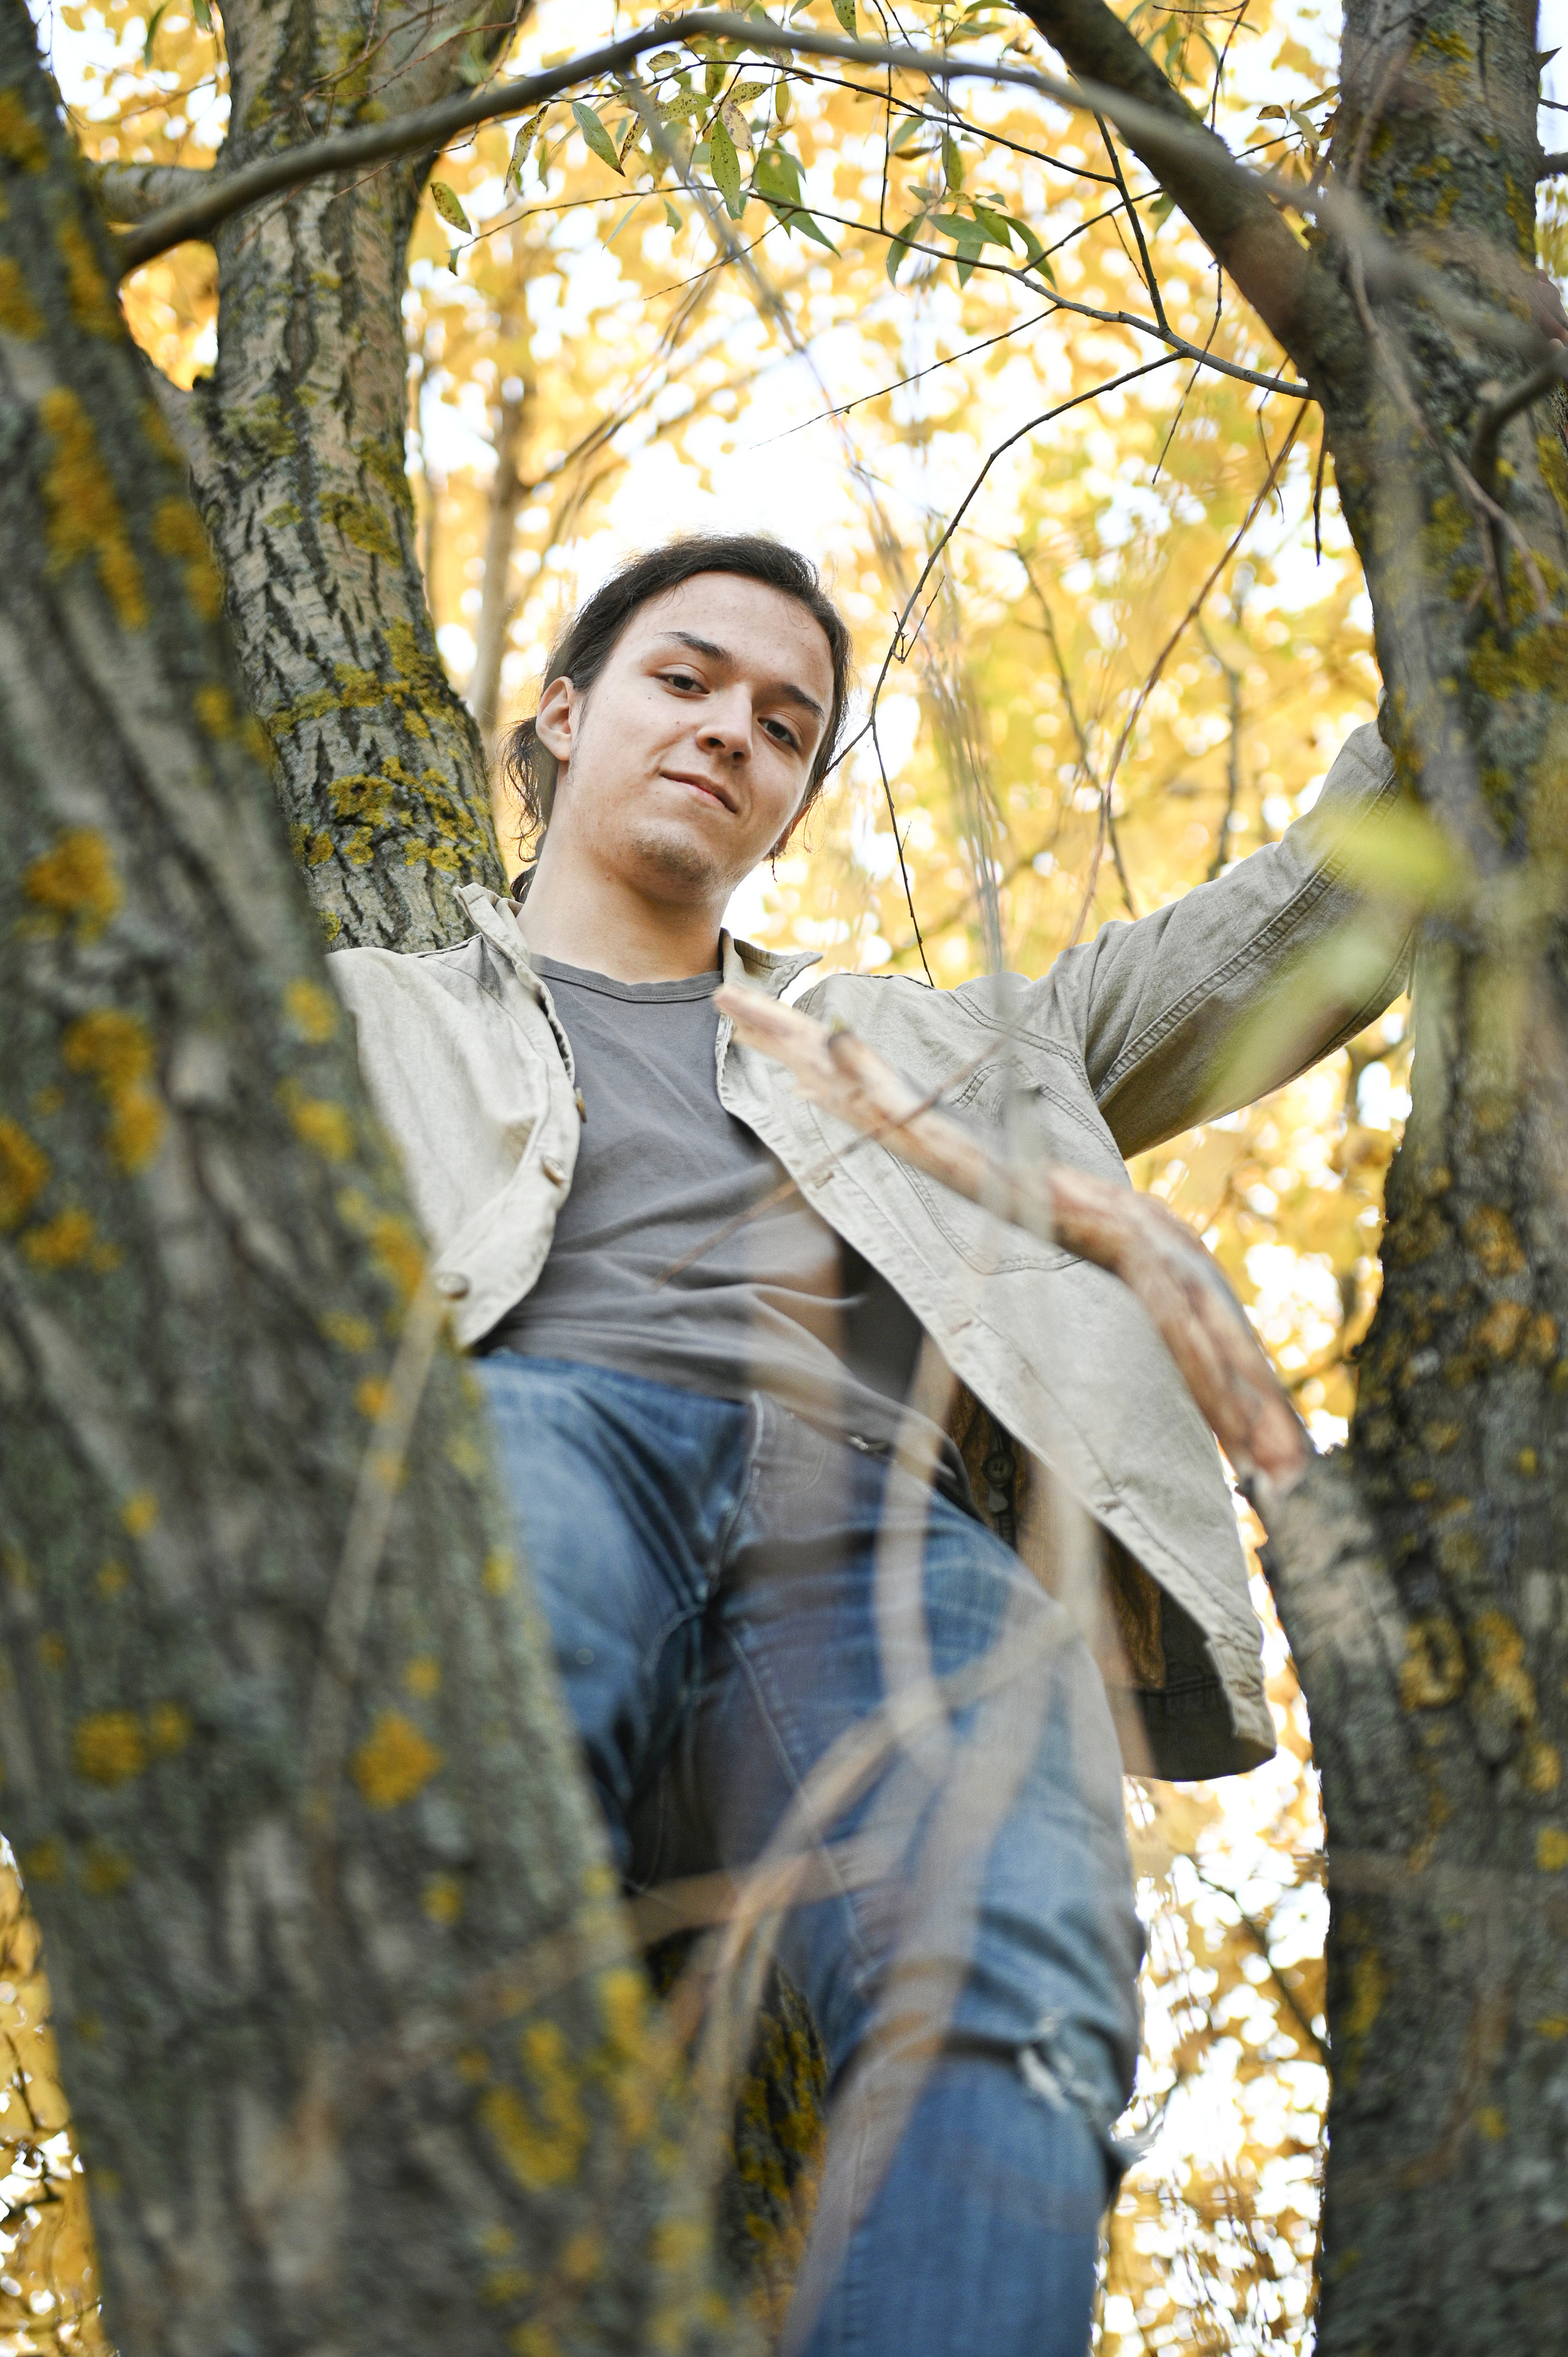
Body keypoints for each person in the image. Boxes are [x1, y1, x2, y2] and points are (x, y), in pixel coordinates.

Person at [330, 534, 1406, 2355]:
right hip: (532, 1447)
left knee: (1024, 1983)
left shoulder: (946, 1044)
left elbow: (1308, 920)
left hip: (880, 1558)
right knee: (455, 1861)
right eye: (685, 681)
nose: (731, 731)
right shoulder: (346, 1013)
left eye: (785, 722)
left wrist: (1478, 606)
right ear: (569, 715)